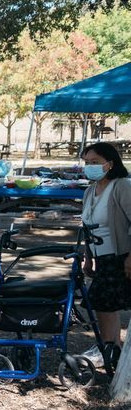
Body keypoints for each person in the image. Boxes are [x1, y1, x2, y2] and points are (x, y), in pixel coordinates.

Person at [80, 142, 131, 366]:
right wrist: (88, 257)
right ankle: (111, 346)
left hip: (119, 254)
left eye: (95, 162)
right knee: (103, 303)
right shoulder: (90, 191)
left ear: (109, 164)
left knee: (104, 301)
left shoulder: (122, 186)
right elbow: (87, 226)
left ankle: (109, 346)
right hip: (100, 255)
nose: (89, 167)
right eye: (86, 163)